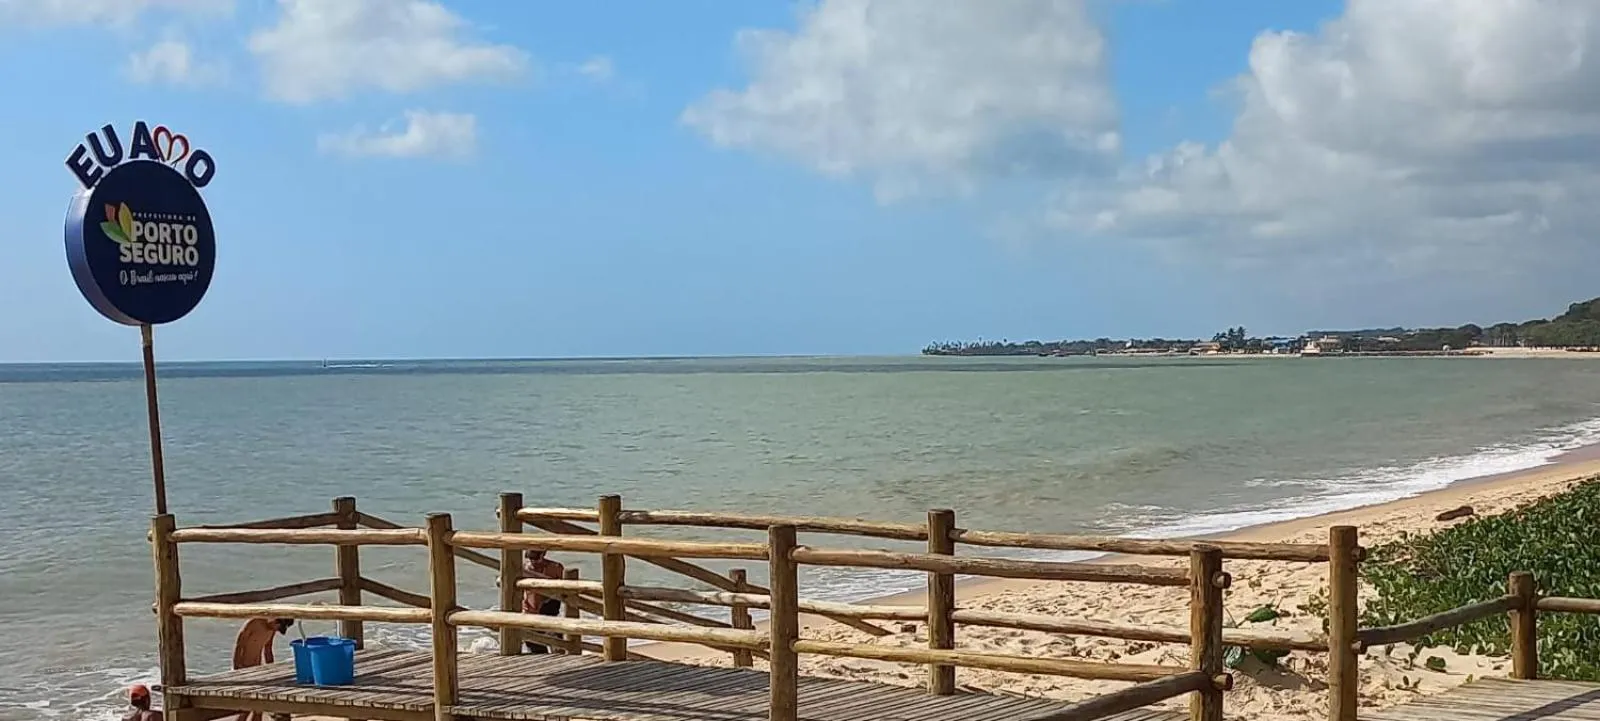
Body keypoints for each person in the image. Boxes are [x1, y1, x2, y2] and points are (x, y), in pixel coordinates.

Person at [231, 618, 293, 721]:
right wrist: (237, 667)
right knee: (245, 708)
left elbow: (268, 649)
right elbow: (239, 645)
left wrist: (271, 670)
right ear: (275, 620)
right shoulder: (253, 623)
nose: (274, 631)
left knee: (258, 708)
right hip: (243, 668)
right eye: (276, 627)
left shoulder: (272, 630)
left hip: (257, 668)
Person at [521, 548, 565, 653]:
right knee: (534, 645)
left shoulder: (555, 568)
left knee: (557, 642)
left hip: (549, 606)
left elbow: (566, 590)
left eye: (535, 558)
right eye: (530, 557)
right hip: (531, 610)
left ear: (543, 555)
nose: (533, 561)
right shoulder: (524, 568)